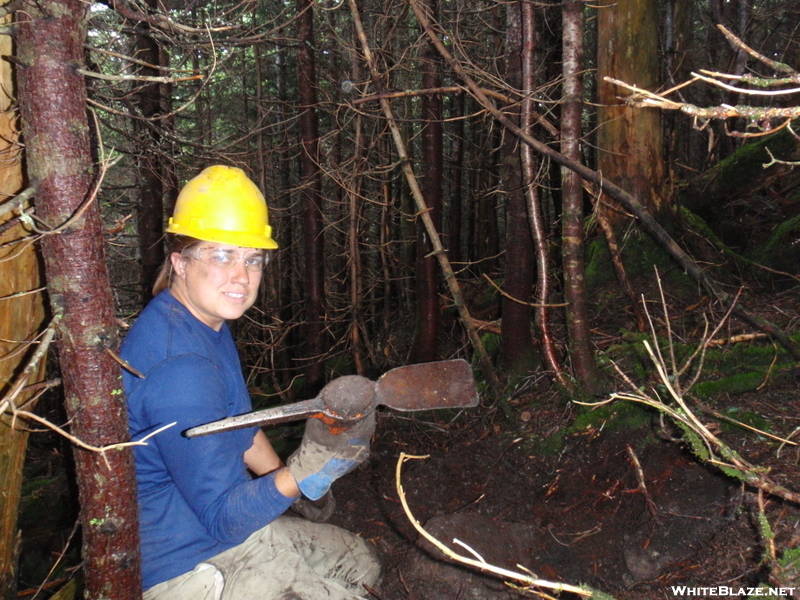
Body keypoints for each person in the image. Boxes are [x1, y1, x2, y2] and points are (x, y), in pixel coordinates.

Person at [121, 165, 382, 600]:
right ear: (180, 262)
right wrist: (304, 470)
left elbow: (239, 426)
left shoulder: (205, 323)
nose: (241, 276)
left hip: (220, 529)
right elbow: (224, 516)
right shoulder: (181, 367)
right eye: (222, 255)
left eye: (252, 259)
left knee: (361, 563)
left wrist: (295, 489)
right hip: (187, 563)